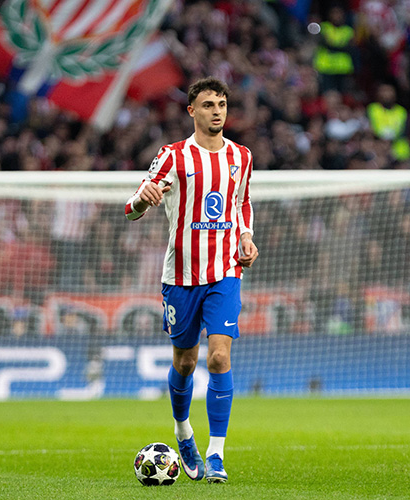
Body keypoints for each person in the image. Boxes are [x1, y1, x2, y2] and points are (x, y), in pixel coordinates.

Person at [124, 77, 259, 484]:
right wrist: (142, 200)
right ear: (192, 111)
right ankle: (183, 430)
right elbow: (131, 207)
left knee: (218, 357)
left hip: (225, 271)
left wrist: (247, 236)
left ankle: (216, 453)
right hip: (181, 276)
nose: (217, 111)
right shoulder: (173, 156)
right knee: (185, 361)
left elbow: (242, 202)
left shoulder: (241, 157)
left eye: (221, 104)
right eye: (208, 105)